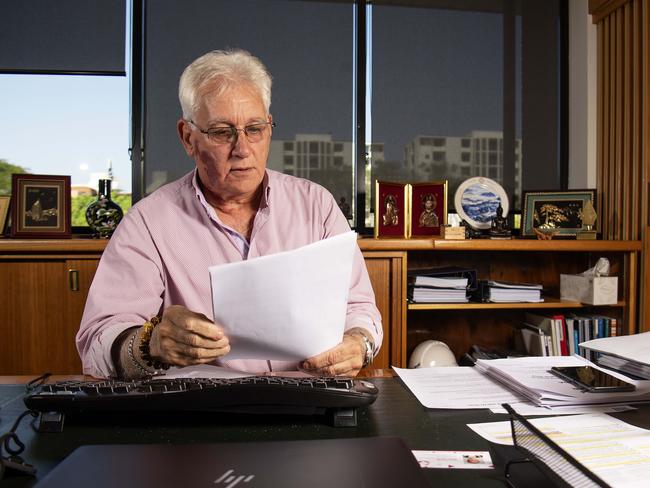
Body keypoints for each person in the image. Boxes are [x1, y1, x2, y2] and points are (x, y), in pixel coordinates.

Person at [76, 49, 382, 380]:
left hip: (311, 402)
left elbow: (360, 309)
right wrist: (149, 343)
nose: (242, 148)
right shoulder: (147, 223)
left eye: (255, 128)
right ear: (188, 137)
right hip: (201, 412)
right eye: (223, 132)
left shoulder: (316, 206)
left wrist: (358, 343)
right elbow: (98, 342)